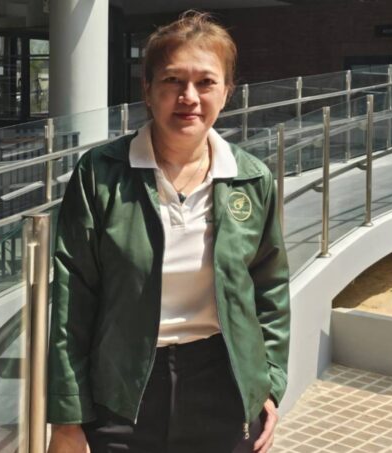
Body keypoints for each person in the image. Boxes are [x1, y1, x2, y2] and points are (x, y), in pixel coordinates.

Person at [47, 11, 290, 453]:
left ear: (227, 91)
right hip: (121, 389)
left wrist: (269, 384)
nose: (188, 97)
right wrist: (67, 417)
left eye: (206, 82)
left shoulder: (252, 179)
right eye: (173, 80)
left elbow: (270, 289)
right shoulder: (100, 175)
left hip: (225, 385)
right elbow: (72, 299)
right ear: (147, 89)